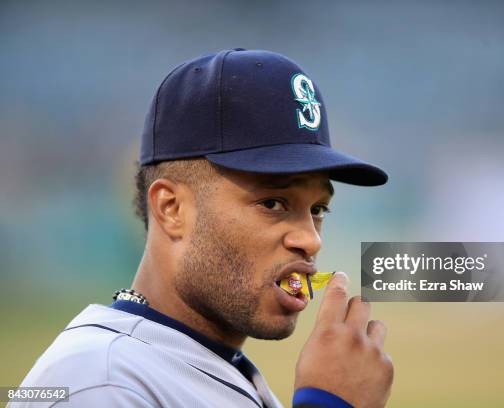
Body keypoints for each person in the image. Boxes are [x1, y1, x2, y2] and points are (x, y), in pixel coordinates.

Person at [13, 49, 393, 407]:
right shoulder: (100, 381)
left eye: (318, 208)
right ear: (172, 208)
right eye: (273, 203)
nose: (310, 239)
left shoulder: (204, 365)